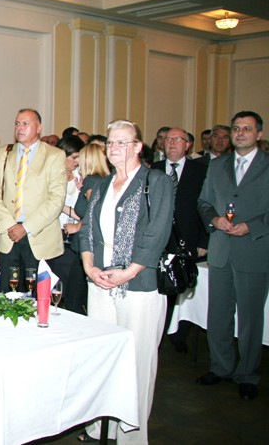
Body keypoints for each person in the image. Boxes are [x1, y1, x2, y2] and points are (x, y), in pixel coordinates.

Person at [78, 119, 174, 442]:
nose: (114, 147)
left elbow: (157, 233)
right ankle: (99, 425)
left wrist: (129, 271)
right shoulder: (103, 184)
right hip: (100, 283)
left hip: (138, 286)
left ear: (137, 147)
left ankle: (131, 436)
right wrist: (89, 267)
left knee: (136, 362)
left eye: (122, 142)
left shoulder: (156, 181)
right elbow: (87, 229)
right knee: (103, 358)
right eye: (110, 142)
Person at [196, 111, 269, 401]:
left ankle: (247, 373)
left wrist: (253, 225)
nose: (240, 133)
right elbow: (204, 202)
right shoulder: (218, 165)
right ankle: (220, 366)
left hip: (253, 248)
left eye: (247, 129)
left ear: (259, 134)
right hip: (221, 249)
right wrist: (214, 219)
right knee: (218, 314)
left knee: (250, 318)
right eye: (236, 128)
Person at [0, 109, 65, 293]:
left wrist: (26, 227)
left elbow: (56, 199)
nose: (19, 128)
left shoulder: (54, 156)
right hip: (9, 234)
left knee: (38, 296)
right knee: (7, 294)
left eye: (25, 124)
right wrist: (9, 224)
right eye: (17, 124)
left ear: (39, 127)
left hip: (40, 236)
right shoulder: (4, 153)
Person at [152, 128, 208, 353]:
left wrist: (204, 241)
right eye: (168, 139)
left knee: (183, 288)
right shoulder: (153, 169)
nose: (172, 143)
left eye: (177, 139)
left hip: (188, 239)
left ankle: (179, 334)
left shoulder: (200, 171)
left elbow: (206, 206)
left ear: (188, 145)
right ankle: (158, 333)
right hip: (158, 240)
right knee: (160, 287)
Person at [47, 135, 87, 314]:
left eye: (79, 157)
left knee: (70, 290)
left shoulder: (82, 177)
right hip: (52, 235)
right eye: (74, 157)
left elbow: (85, 212)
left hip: (72, 238)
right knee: (51, 286)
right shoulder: (51, 175)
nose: (77, 162)